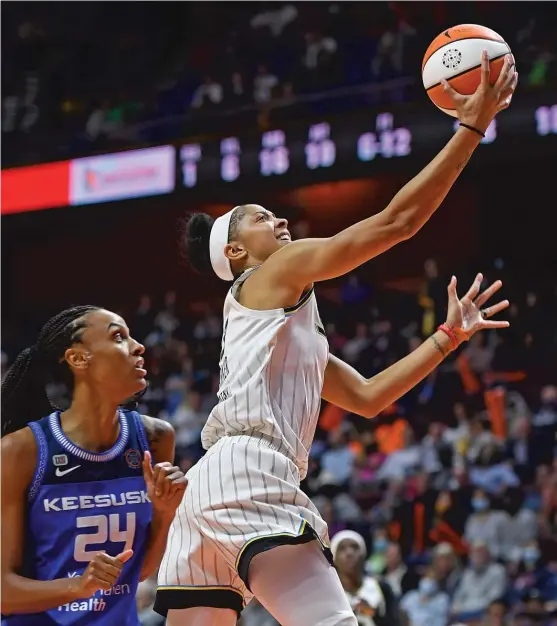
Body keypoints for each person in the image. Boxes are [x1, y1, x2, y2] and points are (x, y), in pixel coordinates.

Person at [155, 53, 517, 626]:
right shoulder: (275, 272)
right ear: (234, 253)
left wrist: (448, 336)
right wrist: (471, 129)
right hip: (250, 472)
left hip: (211, 484)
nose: (276, 220)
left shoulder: (280, 325)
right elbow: (395, 224)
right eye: (258, 217)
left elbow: (369, 397)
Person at [1, 306, 187, 625]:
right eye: (118, 336)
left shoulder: (155, 438)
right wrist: (78, 586)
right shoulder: (20, 451)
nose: (138, 346)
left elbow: (138, 571)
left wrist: (165, 513)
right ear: (78, 358)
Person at [332, 530, 399, 626]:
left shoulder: (382, 587)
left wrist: (372, 613)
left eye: (355, 547)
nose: (349, 553)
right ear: (334, 559)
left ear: (364, 554)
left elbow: (395, 621)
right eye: (342, 548)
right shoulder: (329, 592)